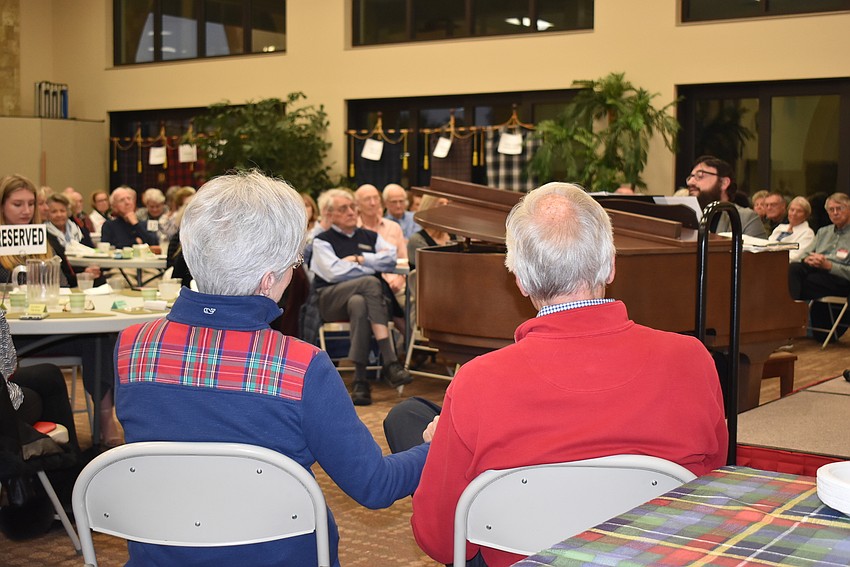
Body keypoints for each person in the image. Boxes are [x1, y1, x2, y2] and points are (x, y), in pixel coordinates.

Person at [400, 183, 728, 567]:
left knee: (409, 420)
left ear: (519, 281)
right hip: (657, 557)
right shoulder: (690, 360)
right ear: (611, 264)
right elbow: (712, 486)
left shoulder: (477, 382)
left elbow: (441, 541)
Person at [114, 171, 429, 567]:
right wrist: (436, 445)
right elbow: (375, 485)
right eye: (293, 263)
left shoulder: (131, 347)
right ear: (268, 280)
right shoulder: (301, 366)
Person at [1, 174, 121, 445]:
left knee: (99, 338)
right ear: (2, 206)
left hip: (52, 325)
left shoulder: (46, 242)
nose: (26, 211)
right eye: (17, 204)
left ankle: (104, 420)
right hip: (13, 337)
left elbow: (65, 284)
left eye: (30, 203)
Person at [310, 188, 412, 406]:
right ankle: (390, 360)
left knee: (359, 303)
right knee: (371, 282)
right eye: (343, 209)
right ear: (330, 214)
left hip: (357, 300)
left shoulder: (370, 236)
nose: (351, 212)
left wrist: (359, 259)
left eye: (352, 207)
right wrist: (370, 267)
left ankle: (360, 381)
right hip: (330, 299)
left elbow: (390, 258)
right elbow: (333, 272)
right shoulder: (322, 240)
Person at [788, 192, 850, 338]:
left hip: (839, 277)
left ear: (848, 209)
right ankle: (790, 323)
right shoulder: (823, 232)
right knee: (793, 268)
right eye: (831, 209)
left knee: (797, 282)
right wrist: (807, 259)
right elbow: (805, 254)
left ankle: (790, 326)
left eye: (839, 208)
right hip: (816, 270)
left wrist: (829, 266)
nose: (835, 213)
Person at [687, 155, 766, 238]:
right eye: (690, 177)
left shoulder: (745, 219)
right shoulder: (687, 218)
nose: (690, 182)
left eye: (700, 176)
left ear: (724, 183)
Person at [407, 195, 451, 270]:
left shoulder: (456, 236)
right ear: (427, 208)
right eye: (441, 204)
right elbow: (432, 269)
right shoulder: (417, 240)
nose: (446, 207)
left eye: (447, 204)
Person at [768, 196, 815, 262]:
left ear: (806, 215)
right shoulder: (780, 227)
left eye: (799, 211)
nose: (794, 213)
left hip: (785, 265)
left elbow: (795, 256)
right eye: (792, 210)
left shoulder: (808, 233)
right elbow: (767, 245)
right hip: (768, 260)